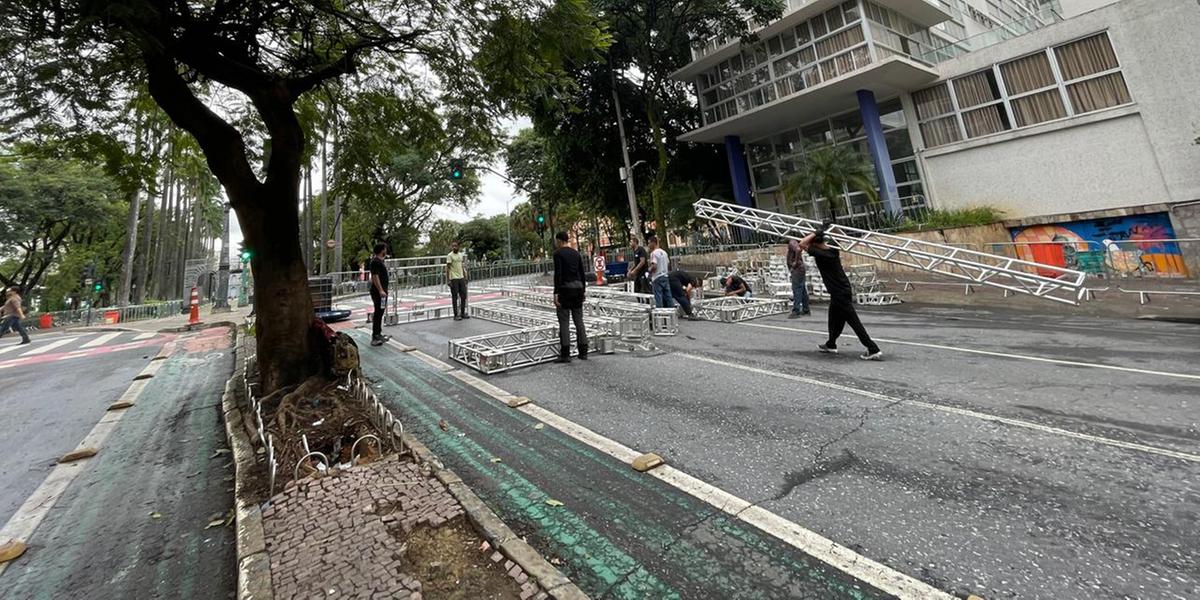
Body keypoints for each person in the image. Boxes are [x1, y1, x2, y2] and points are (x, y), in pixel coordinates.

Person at [799, 227, 882, 360]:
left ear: (814, 242)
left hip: (839, 293)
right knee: (834, 319)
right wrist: (826, 228)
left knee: (854, 321)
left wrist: (817, 232)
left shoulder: (820, 253)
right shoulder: (832, 250)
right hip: (841, 290)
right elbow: (837, 235)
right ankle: (831, 344)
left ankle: (873, 348)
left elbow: (802, 243)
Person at [552, 231, 589, 363]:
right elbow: (582, 273)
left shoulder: (558, 254)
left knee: (564, 321)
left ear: (559, 240)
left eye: (556, 241)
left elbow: (558, 274)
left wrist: (556, 293)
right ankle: (583, 351)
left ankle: (565, 353)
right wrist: (583, 290)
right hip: (578, 289)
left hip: (565, 290)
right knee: (579, 320)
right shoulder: (576, 253)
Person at [367, 243, 391, 347]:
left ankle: (378, 333)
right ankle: (375, 336)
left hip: (382, 291)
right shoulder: (375, 262)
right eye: (385, 249)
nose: (386, 251)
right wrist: (381, 290)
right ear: (382, 250)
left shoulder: (380, 261)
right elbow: (375, 277)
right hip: (378, 292)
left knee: (380, 312)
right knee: (378, 312)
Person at [787, 239, 811, 317]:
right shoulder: (795, 242)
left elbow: (798, 249)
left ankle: (796, 310)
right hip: (800, 269)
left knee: (797, 289)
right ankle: (806, 309)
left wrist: (795, 262)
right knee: (802, 289)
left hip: (797, 270)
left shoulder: (792, 242)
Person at [446, 241, 469, 321]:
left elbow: (462, 266)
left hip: (461, 277)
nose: (454, 247)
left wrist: (465, 276)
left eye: (455, 246)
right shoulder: (450, 256)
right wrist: (448, 280)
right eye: (453, 246)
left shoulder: (460, 255)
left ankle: (462, 313)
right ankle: (456, 314)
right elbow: (448, 268)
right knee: (455, 297)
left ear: (459, 247)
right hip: (454, 278)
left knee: (463, 295)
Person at [647, 235, 672, 308]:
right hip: (665, 276)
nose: (648, 245)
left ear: (653, 243)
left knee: (658, 297)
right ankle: (671, 313)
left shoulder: (653, 253)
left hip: (657, 277)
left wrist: (649, 270)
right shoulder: (664, 252)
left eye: (649, 243)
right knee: (668, 296)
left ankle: (660, 314)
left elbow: (654, 266)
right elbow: (668, 263)